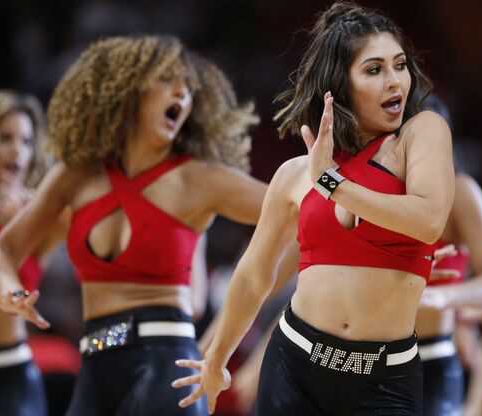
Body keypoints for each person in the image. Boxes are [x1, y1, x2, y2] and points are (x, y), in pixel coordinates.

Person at [172, 3, 455, 415]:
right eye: (374, 70)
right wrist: (215, 361)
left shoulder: (421, 134)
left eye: (400, 65)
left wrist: (332, 183)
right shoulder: (295, 173)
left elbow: (428, 221)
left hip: (385, 378)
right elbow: (254, 275)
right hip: (294, 365)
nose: (395, 81)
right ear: (340, 85)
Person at [0, 35, 267, 416]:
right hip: (95, 361)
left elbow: (296, 211)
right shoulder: (74, 175)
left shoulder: (198, 179)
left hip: (166, 362)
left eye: (189, 89)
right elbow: (6, 249)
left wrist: (221, 338)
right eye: (169, 80)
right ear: (126, 88)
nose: (183, 94)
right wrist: (10, 291)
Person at [413, 96, 482, 416]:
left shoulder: (460, 191)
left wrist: (444, 297)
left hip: (430, 359)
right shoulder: (369, 192)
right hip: (365, 358)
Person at [0, 90, 56, 416]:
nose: (16, 150)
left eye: (26, 141)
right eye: (5, 137)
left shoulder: (44, 214)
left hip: (12, 367)